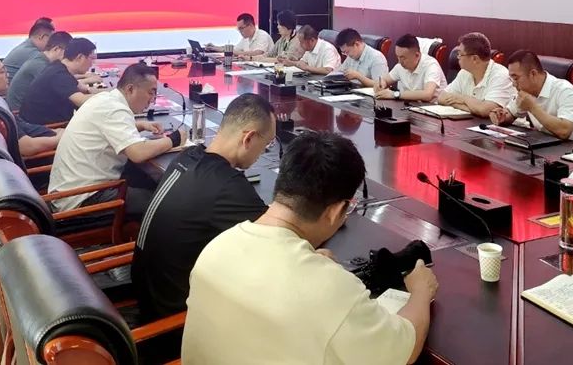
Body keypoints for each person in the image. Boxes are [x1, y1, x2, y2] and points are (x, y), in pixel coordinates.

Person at [182, 131, 437, 364]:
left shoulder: (218, 246)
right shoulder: (330, 290)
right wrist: (420, 291)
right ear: (336, 210)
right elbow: (406, 350)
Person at [132, 94, 276, 321]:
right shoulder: (227, 186)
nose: (264, 152)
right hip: (174, 321)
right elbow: (280, 240)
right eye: (266, 144)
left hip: (147, 295)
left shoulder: (186, 157)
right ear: (248, 138)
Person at [46, 63, 187, 220]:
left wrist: (139, 125)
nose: (152, 100)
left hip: (70, 191)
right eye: (150, 93)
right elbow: (138, 153)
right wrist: (174, 139)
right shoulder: (115, 109)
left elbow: (106, 128)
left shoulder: (106, 99)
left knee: (148, 181)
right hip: (83, 198)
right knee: (165, 202)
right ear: (130, 89)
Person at [0, 52, 62, 157]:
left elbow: (26, 127)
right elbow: (27, 147)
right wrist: (59, 139)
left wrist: (56, 132)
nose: (8, 75)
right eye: (2, 72)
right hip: (46, 157)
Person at [489, 50, 573, 145]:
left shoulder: (565, 90)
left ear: (533, 74)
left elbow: (564, 131)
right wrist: (501, 116)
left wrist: (532, 107)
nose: (514, 84)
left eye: (516, 78)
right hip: (548, 146)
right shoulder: (526, 90)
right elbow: (511, 113)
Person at [19, 37, 104, 125]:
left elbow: (86, 90)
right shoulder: (59, 75)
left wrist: (110, 92)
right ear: (80, 57)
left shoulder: (58, 67)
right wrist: (109, 97)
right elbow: (82, 101)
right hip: (44, 128)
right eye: (91, 58)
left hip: (40, 124)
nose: (92, 63)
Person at [437, 32, 515, 117]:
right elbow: (441, 97)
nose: (457, 57)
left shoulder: (500, 76)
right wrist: (472, 108)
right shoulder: (465, 72)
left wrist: (463, 98)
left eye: (460, 54)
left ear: (474, 59)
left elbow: (486, 110)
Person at [7, 31, 73, 112]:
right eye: (67, 53)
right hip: (20, 112)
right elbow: (62, 84)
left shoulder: (41, 60)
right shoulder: (40, 65)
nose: (69, 57)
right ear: (57, 49)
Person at [375, 34, 447, 102]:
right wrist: (380, 84)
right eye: (398, 57)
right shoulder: (400, 65)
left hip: (432, 107)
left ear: (417, 55)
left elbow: (427, 94)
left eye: (403, 58)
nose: (399, 62)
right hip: (411, 106)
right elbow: (385, 80)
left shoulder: (431, 65)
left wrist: (395, 94)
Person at [206, 13, 273, 59]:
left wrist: (234, 52)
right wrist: (215, 47)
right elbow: (235, 49)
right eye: (238, 29)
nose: (240, 31)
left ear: (250, 25)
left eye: (241, 28)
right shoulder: (245, 38)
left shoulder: (262, 35)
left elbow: (257, 53)